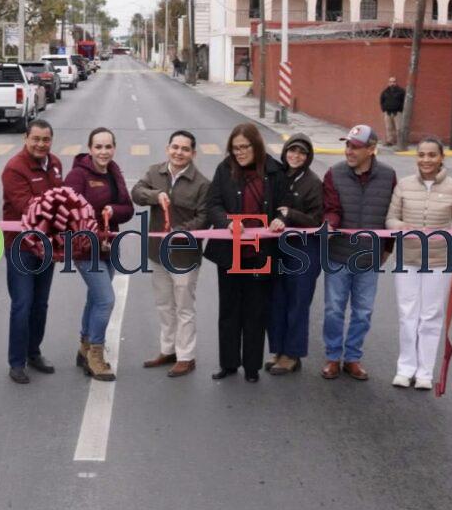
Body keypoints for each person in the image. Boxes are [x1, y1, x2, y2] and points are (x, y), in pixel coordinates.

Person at [386, 137, 452, 390]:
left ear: (441, 158)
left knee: (431, 315)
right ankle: (405, 368)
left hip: (438, 261)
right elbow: (391, 218)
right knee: (407, 314)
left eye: (431, 155)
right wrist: (398, 225)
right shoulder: (403, 185)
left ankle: (425, 372)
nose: (426, 160)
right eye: (422, 155)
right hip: (408, 259)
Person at [204, 123, 287, 383]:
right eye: (235, 148)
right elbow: (213, 203)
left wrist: (280, 219)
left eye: (244, 147)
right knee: (229, 310)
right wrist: (227, 223)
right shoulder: (224, 169)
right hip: (229, 252)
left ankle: (252, 367)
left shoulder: (274, 172)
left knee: (255, 311)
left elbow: (284, 206)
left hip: (261, 253)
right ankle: (228, 364)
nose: (239, 153)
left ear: (256, 145)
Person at [132, 130, 210, 378]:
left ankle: (186, 356)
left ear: (193, 154)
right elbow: (136, 192)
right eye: (175, 147)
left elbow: (204, 218)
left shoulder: (202, 183)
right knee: (164, 305)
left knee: (184, 307)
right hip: (157, 254)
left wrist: (179, 232)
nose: (179, 152)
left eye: (185, 149)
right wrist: (156, 195)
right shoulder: (155, 172)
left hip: (184, 256)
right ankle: (168, 350)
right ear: (167, 149)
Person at [322, 124, 396, 381]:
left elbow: (391, 215)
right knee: (333, 309)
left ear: (372, 149)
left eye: (355, 147)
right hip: (338, 254)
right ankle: (333, 356)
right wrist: (328, 224)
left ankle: (352, 357)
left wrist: (387, 248)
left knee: (363, 311)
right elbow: (330, 207)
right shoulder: (334, 174)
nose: (349, 151)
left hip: (369, 257)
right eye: (347, 145)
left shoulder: (388, 176)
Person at [64, 127, 134, 381]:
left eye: (108, 147)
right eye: (98, 147)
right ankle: (95, 354)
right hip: (85, 247)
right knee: (105, 299)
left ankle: (83, 347)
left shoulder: (114, 172)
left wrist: (112, 211)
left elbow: (128, 209)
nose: (103, 152)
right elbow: (69, 212)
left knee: (95, 298)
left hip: (110, 245)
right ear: (90, 148)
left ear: (114, 148)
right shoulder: (77, 175)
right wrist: (96, 222)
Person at [2, 119, 62, 384]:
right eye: (35, 139)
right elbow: (28, 207)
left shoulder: (56, 164)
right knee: (23, 304)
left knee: (41, 304)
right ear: (26, 138)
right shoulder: (15, 168)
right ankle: (16, 362)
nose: (41, 144)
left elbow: (62, 197)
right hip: (21, 246)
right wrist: (64, 212)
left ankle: (33, 352)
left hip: (47, 245)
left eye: (45, 139)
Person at [266, 133, 323, 376]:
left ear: (308, 157)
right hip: (278, 248)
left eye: (302, 152)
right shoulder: (278, 176)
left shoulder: (312, 182)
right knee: (277, 301)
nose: (296, 156)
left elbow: (316, 220)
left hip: (304, 250)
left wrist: (290, 214)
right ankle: (279, 350)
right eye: (292, 150)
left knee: (298, 303)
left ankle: (293, 354)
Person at [380, 76, 405, 146]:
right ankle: (390, 141)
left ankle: (400, 143)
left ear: (396, 83)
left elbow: (404, 101)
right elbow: (381, 101)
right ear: (388, 83)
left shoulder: (401, 91)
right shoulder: (385, 92)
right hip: (388, 113)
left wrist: (401, 109)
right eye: (390, 82)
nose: (392, 83)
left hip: (397, 113)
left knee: (399, 128)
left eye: (394, 82)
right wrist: (384, 109)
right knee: (388, 128)